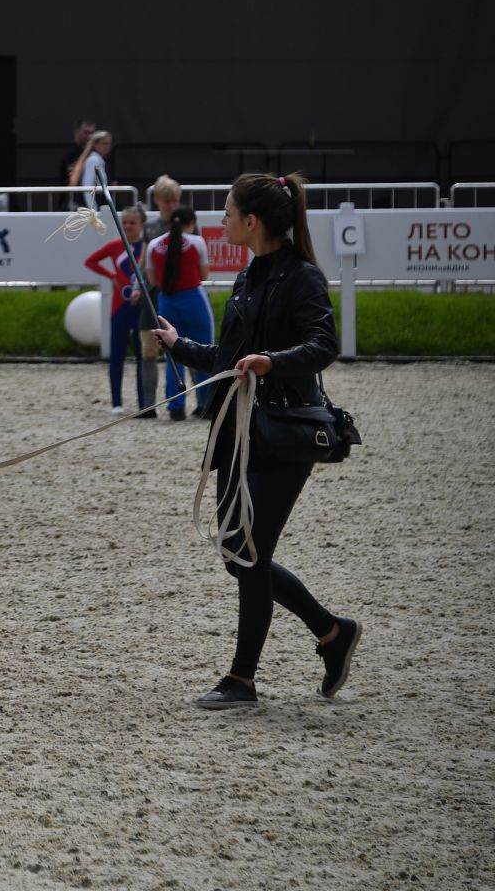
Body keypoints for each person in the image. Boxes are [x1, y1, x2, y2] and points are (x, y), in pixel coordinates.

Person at [151, 173, 358, 710]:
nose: (220, 220)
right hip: (240, 431)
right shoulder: (248, 277)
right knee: (238, 553)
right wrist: (181, 345)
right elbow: (230, 356)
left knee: (248, 555)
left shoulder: (302, 278)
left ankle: (242, 681)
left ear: (252, 222)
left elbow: (323, 345)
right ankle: (332, 632)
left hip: (283, 435)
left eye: (227, 211)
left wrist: (274, 362)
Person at [83, 204, 154, 418]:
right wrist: (111, 275)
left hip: (141, 309)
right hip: (119, 308)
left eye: (132, 223)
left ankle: (144, 402)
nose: (128, 226)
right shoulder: (116, 246)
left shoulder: (147, 247)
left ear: (142, 224)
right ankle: (116, 402)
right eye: (124, 223)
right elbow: (90, 261)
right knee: (117, 355)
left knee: (143, 357)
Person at [146, 203, 212, 420]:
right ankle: (206, 404)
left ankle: (176, 406)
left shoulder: (154, 245)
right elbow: (204, 274)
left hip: (167, 301)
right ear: (191, 223)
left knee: (172, 354)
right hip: (194, 298)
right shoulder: (196, 242)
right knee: (205, 352)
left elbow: (153, 279)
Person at [54, 119, 95, 208]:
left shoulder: (95, 155)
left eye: (92, 133)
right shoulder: (69, 155)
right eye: (86, 132)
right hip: (72, 203)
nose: (89, 136)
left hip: (90, 203)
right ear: (77, 132)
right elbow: (72, 182)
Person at [70, 129, 113, 211]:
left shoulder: (98, 160)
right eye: (104, 143)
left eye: (109, 144)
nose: (108, 146)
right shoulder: (94, 160)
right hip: (92, 204)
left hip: (97, 201)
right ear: (95, 145)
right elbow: (88, 187)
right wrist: (93, 209)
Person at [145, 174, 182, 240]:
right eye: (166, 201)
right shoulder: (150, 226)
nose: (171, 206)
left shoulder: (187, 223)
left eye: (175, 201)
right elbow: (146, 250)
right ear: (156, 199)